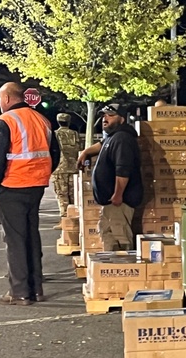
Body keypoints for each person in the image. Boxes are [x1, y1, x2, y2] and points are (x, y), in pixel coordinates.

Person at [0, 82, 61, 305]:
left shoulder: (5, 121)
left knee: (15, 240)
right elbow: (54, 153)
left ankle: (19, 292)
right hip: (36, 185)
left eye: (0, 98)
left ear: (7, 98)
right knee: (31, 235)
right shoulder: (42, 120)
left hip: (12, 186)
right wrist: (42, 173)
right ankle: (36, 288)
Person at [81, 103, 143, 250]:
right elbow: (102, 144)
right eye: (104, 115)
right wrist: (85, 152)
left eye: (110, 115)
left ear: (121, 119)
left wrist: (117, 195)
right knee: (109, 237)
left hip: (118, 203)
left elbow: (123, 169)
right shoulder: (113, 137)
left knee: (120, 240)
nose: (105, 118)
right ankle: (111, 271)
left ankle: (122, 270)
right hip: (111, 203)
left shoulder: (122, 139)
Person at [51, 112, 81, 224]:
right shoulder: (75, 134)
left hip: (59, 168)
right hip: (74, 168)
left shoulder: (55, 134)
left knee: (62, 195)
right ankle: (74, 219)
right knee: (73, 195)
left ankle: (65, 222)